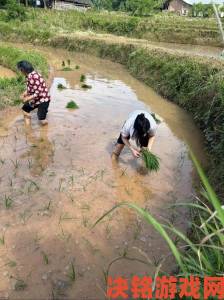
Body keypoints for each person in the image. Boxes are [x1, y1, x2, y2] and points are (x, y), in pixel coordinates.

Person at [17, 60, 51, 126]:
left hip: (43, 100)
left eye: (20, 70)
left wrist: (27, 98)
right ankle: (28, 129)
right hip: (35, 99)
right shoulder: (29, 76)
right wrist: (25, 93)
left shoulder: (35, 76)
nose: (20, 72)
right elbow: (31, 87)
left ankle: (46, 129)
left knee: (42, 119)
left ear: (23, 70)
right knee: (25, 110)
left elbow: (38, 92)